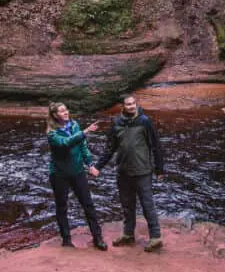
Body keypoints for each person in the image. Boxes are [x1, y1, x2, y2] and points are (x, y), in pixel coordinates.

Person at [95, 94, 164, 251]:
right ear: (123, 106)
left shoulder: (144, 121)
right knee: (127, 205)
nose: (131, 106)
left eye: (133, 103)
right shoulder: (116, 123)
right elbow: (109, 148)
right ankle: (128, 234)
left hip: (142, 171)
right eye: (128, 104)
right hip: (123, 171)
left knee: (148, 204)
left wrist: (160, 168)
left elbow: (156, 145)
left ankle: (155, 237)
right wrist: (98, 166)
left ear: (136, 104)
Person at [46, 101, 107, 250]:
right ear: (55, 115)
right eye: (61, 111)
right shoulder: (51, 133)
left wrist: (90, 164)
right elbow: (65, 143)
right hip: (59, 174)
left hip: (78, 171)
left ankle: (97, 238)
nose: (66, 112)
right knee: (62, 207)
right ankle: (66, 239)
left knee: (88, 204)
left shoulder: (74, 125)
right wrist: (85, 132)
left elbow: (82, 146)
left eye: (66, 109)